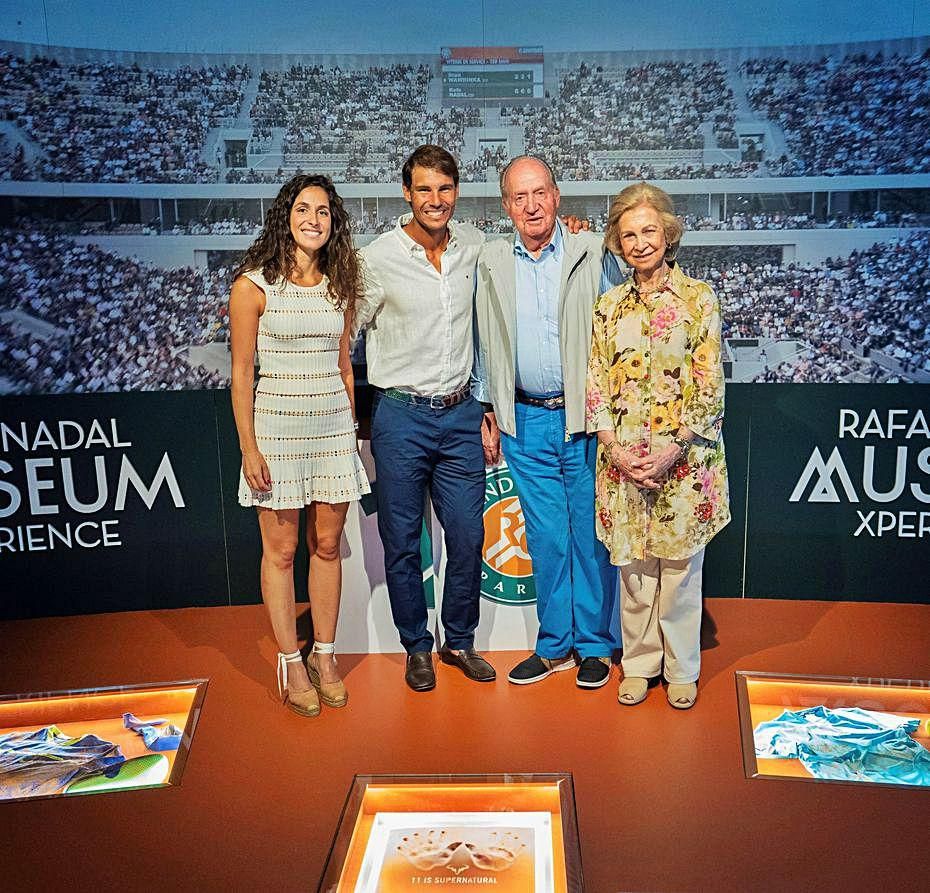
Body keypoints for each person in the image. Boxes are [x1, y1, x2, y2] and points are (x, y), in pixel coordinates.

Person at [354, 145, 497, 692]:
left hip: (461, 415)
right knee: (403, 541)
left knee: (465, 536)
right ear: (407, 194)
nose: (435, 200)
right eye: (424, 190)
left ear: (455, 191)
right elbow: (346, 331)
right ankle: (416, 645)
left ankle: (458, 640)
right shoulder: (376, 258)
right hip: (400, 417)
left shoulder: (477, 248)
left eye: (445, 189)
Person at [475, 155, 621, 690]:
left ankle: (594, 647)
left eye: (540, 193)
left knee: (588, 536)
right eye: (519, 196)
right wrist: (486, 405)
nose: (531, 205)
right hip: (525, 421)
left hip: (585, 420)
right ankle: (554, 645)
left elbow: (618, 328)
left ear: (558, 198)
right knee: (546, 538)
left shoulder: (591, 250)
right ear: (506, 205)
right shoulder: (490, 259)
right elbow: (481, 338)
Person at [586, 182, 730, 710]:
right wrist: (614, 446)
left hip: (685, 463)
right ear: (617, 243)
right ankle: (640, 664)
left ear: (668, 235)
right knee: (635, 574)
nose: (640, 242)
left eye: (649, 231)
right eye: (629, 234)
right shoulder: (607, 307)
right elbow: (595, 380)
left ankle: (682, 668)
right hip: (622, 462)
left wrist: (674, 446)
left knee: (679, 574)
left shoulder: (698, 299)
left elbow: (710, 383)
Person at [229, 173, 370, 717]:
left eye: (324, 212)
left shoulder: (340, 285)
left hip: (332, 430)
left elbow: (343, 367)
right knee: (282, 552)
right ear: (285, 215)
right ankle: (290, 658)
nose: (314, 220)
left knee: (328, 547)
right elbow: (242, 375)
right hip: (276, 434)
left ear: (333, 223)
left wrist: (351, 433)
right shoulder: (252, 286)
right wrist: (249, 449)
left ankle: (325, 655)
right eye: (304, 209)